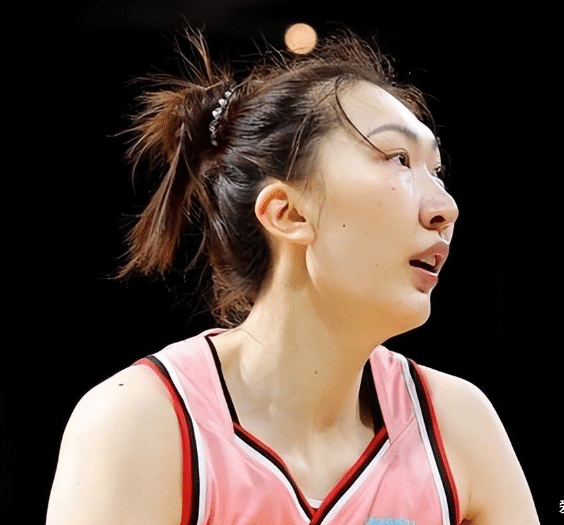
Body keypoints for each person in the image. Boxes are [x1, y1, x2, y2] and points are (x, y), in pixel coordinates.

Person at [46, 28, 539, 525]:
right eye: (399, 159)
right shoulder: (141, 424)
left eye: (437, 171)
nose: (446, 209)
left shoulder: (458, 426)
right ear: (288, 213)